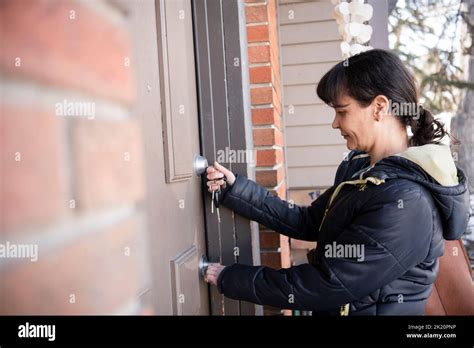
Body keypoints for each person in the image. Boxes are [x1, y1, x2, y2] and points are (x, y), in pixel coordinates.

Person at [204, 49, 470, 315]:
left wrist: (231, 278)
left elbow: (326, 285)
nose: (334, 123)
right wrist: (236, 190)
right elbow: (308, 222)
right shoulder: (364, 171)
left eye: (342, 111)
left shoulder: (408, 202)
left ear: (379, 107)